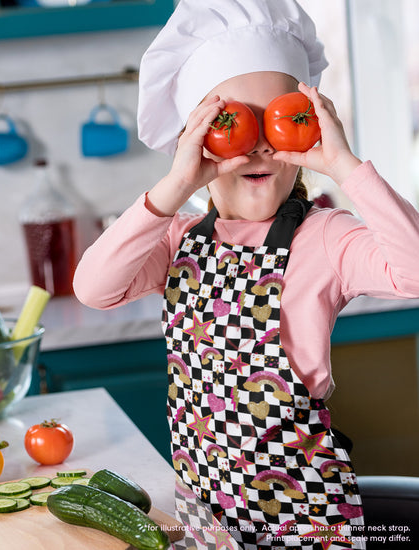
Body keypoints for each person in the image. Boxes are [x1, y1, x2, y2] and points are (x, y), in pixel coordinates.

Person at [73, 0, 419, 547]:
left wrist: (346, 167)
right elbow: (92, 288)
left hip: (310, 525)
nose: (258, 143)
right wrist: (175, 186)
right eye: (234, 122)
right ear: (196, 138)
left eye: (280, 121)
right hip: (207, 523)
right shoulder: (175, 236)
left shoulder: (324, 237)